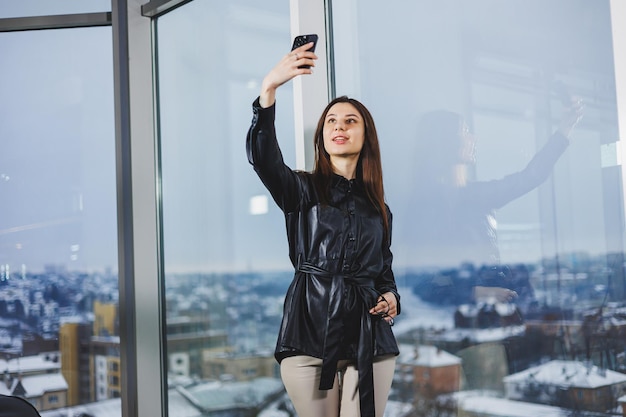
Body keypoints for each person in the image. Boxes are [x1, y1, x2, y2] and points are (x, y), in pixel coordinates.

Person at [246, 41, 401, 417]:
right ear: (322, 137)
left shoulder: (380, 209)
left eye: (350, 121)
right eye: (331, 121)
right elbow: (264, 159)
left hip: (370, 342)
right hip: (308, 338)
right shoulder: (301, 189)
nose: (339, 126)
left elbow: (382, 268)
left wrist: (391, 295)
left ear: (366, 136)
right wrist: (268, 90)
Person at [405, 97, 583, 307]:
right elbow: (419, 284)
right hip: (463, 323)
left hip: (497, 315)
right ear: (445, 142)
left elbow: (531, 176)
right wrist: (477, 293)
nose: (473, 138)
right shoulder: (426, 207)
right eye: (464, 132)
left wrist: (565, 129)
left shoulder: (477, 194)